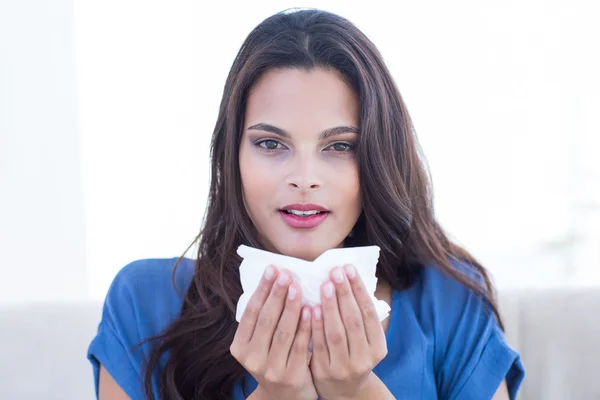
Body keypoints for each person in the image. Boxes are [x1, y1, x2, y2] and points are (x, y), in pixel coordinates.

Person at [87, 8, 525, 400]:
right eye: (271, 143)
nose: (304, 178)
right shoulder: (144, 302)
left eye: (338, 146)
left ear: (377, 156)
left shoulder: (450, 301)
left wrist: (356, 391)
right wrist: (278, 396)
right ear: (231, 155)